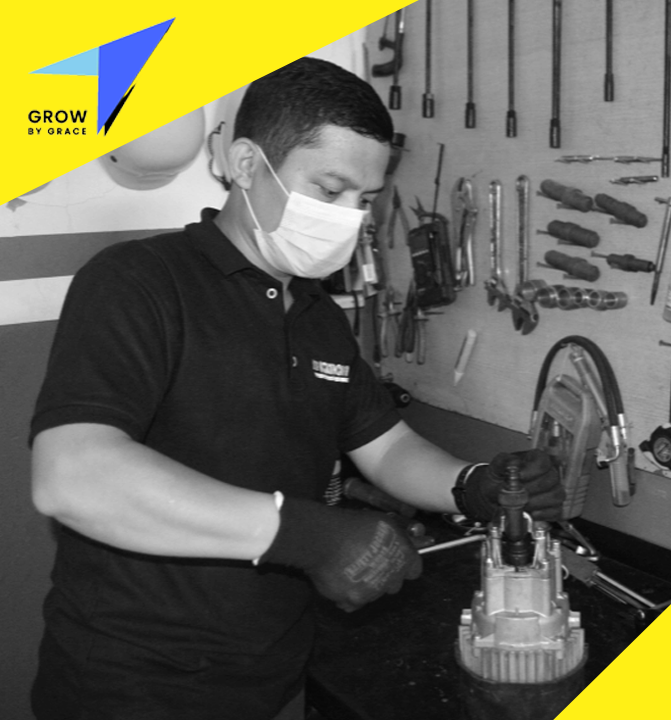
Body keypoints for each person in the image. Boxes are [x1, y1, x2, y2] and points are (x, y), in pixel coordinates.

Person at [29, 57, 564, 720]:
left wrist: (473, 483)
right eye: (331, 190)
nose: (350, 218)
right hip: (133, 683)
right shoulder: (137, 283)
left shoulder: (317, 317)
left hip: (277, 671)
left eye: (365, 200)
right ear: (247, 165)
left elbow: (386, 447)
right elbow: (73, 476)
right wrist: (305, 535)